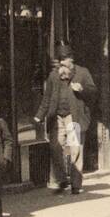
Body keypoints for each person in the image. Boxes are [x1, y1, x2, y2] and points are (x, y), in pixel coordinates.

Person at [35, 43, 96, 195]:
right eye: (59, 60)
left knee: (75, 149)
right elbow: (47, 98)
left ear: (71, 60)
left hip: (73, 117)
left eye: (64, 60)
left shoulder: (82, 73)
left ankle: (76, 184)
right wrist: (38, 116)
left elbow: (93, 91)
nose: (61, 64)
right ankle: (61, 180)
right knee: (56, 147)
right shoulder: (53, 76)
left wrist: (82, 89)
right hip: (57, 117)